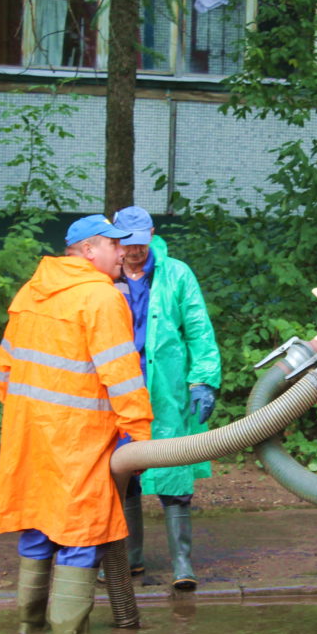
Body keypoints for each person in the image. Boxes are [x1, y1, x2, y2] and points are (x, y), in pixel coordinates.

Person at [0, 214, 153, 634]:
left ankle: (31, 628)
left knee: (38, 525)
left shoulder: (32, 290)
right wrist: (139, 433)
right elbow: (122, 374)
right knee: (79, 531)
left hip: (30, 435)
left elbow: (4, 372)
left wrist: (34, 415)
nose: (123, 252)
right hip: (79, 440)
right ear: (88, 250)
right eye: (114, 245)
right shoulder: (100, 298)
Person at [109, 205, 222, 591]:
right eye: (127, 243)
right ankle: (130, 562)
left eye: (141, 242)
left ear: (152, 234)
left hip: (166, 391)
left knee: (174, 473)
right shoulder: (105, 277)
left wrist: (203, 380)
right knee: (125, 475)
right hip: (120, 391)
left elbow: (198, 330)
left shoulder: (176, 274)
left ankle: (182, 565)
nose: (135, 251)